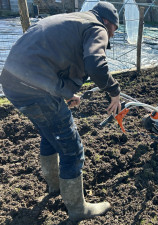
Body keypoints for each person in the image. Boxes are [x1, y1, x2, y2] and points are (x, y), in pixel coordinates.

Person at [0, 2, 121, 222]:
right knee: (72, 150)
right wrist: (114, 91)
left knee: (50, 133)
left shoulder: (74, 20)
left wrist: (66, 93)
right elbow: (95, 63)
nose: (112, 35)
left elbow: (47, 61)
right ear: (107, 22)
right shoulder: (97, 28)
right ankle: (77, 209)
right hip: (34, 88)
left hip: (12, 82)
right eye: (114, 30)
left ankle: (55, 187)